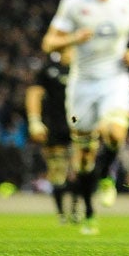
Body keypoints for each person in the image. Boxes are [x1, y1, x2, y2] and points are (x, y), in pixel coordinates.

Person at [40, 0, 129, 235]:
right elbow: (48, 43)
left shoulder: (127, 3)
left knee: (114, 133)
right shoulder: (74, 3)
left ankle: (106, 176)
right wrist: (73, 38)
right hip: (82, 84)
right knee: (82, 159)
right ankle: (89, 212)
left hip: (114, 80)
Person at [25, 48, 79, 223]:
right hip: (55, 127)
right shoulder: (49, 69)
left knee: (79, 170)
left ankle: (76, 210)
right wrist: (34, 120)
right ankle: (61, 213)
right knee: (57, 172)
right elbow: (34, 93)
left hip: (79, 126)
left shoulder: (84, 69)